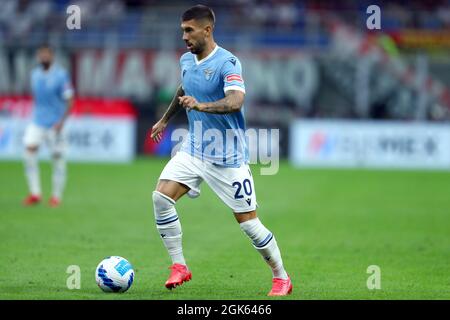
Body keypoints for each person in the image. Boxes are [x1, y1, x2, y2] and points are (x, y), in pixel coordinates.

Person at [150, 5, 292, 296]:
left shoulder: (228, 63)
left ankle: (281, 277)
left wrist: (201, 106)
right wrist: (164, 119)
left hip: (228, 158)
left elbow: (236, 101)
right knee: (161, 197)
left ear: (207, 29)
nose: (184, 36)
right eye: (182, 31)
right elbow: (183, 89)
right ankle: (179, 266)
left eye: (189, 30)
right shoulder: (187, 60)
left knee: (249, 225)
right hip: (193, 150)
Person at [22, 44, 74, 207]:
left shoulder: (60, 75)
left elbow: (70, 100)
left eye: (46, 54)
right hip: (37, 121)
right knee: (29, 152)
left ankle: (56, 196)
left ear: (52, 56)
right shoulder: (35, 74)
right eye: (40, 54)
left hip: (56, 124)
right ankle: (35, 193)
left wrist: (61, 121)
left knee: (57, 158)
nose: (43, 57)